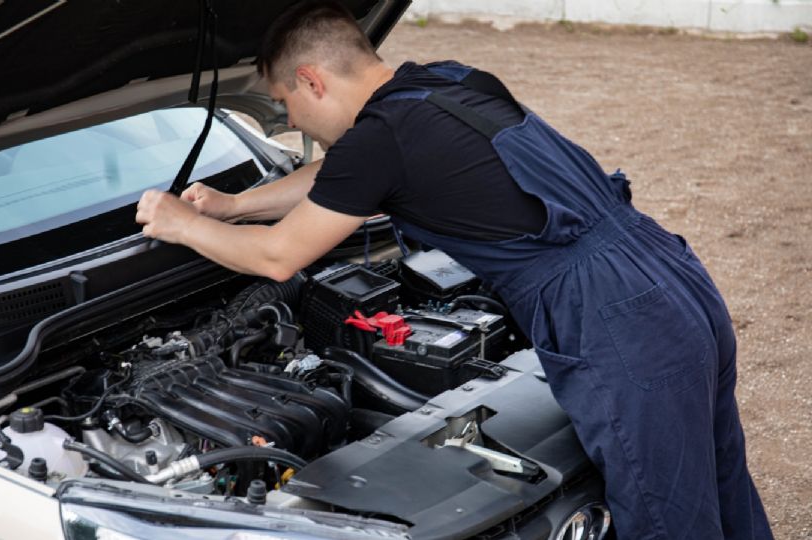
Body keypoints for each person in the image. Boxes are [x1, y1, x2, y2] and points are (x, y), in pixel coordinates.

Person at [135, 2, 773, 538]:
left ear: (312, 81)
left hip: (610, 314)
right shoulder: (447, 81)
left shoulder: (378, 140)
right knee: (719, 481)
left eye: (284, 106)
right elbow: (338, 176)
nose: (291, 123)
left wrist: (181, 223)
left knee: (664, 514)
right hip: (667, 272)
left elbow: (278, 256)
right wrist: (235, 204)